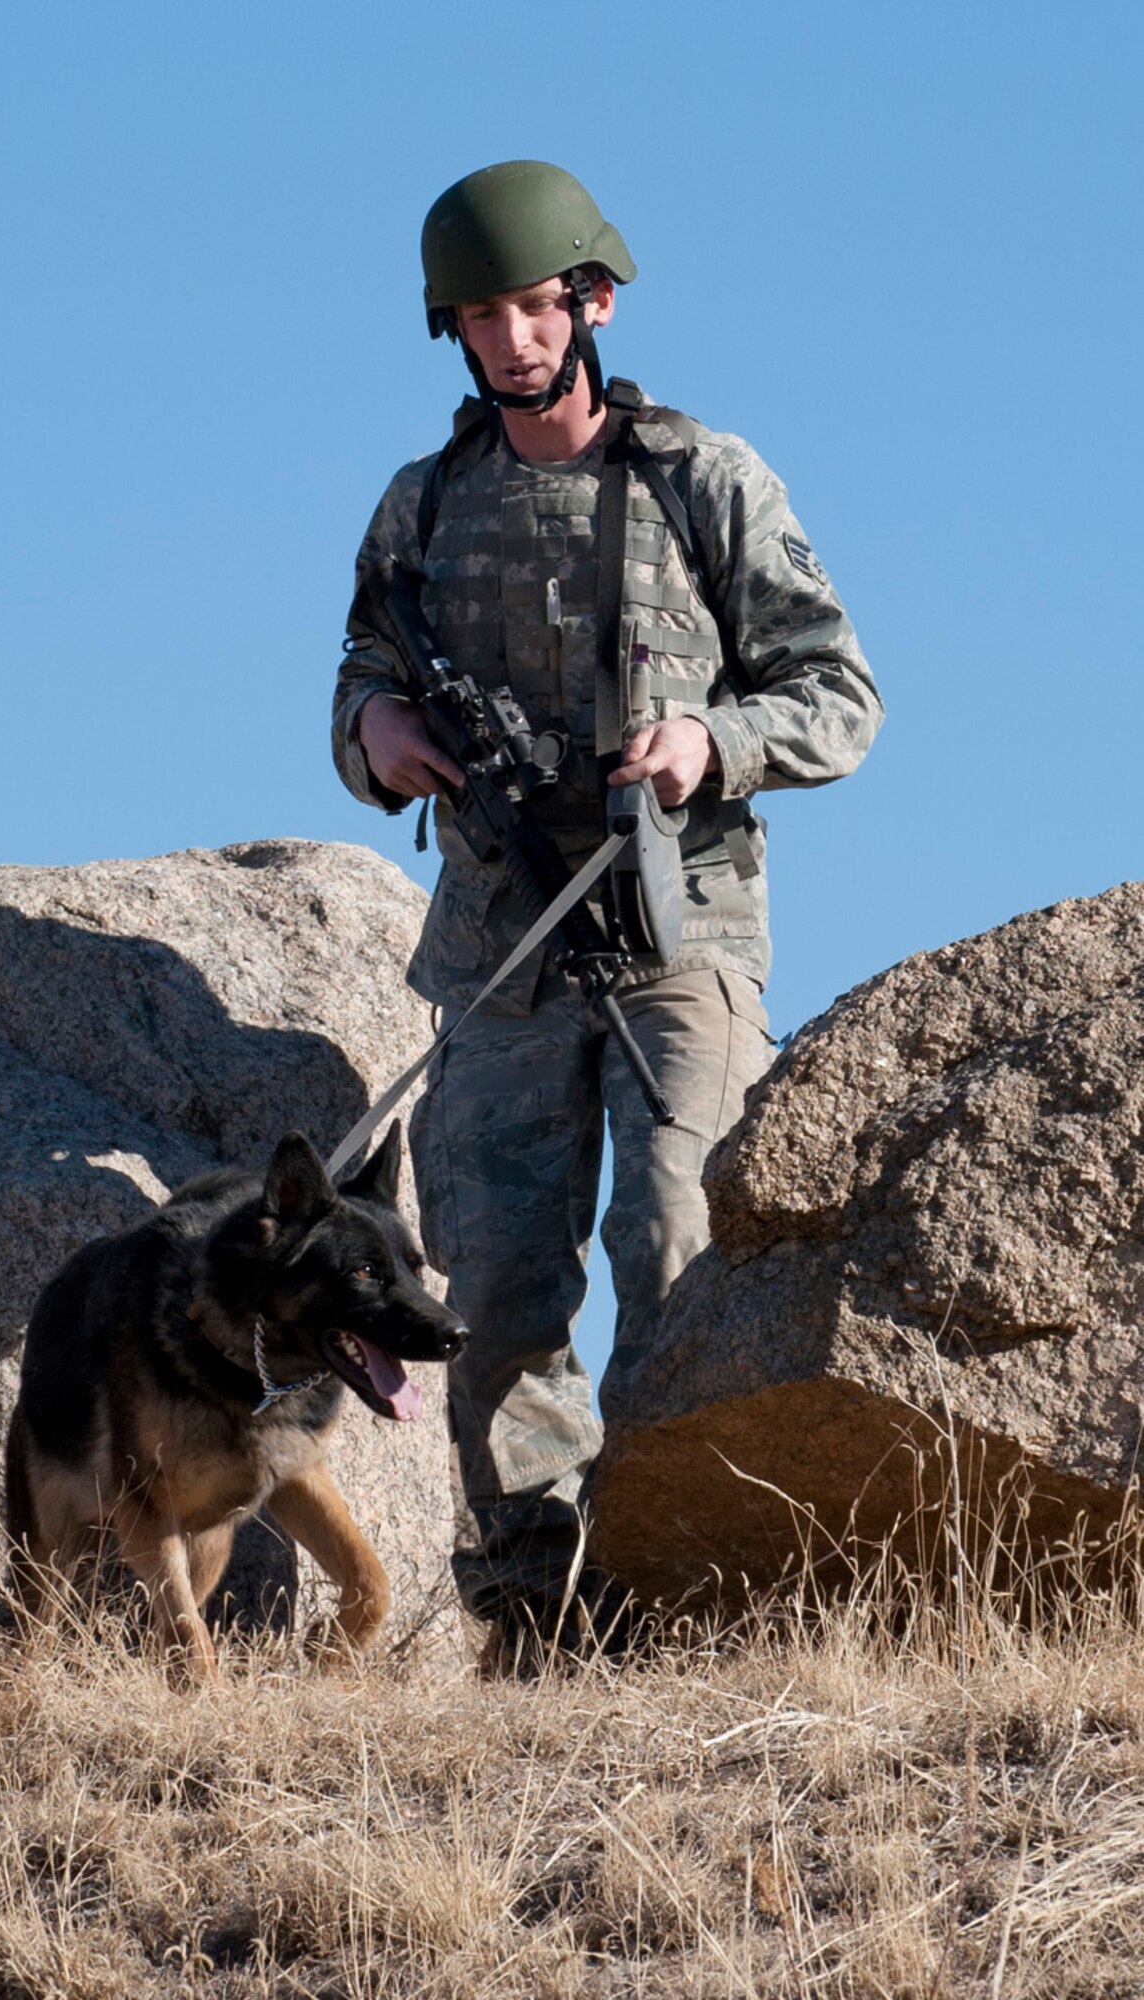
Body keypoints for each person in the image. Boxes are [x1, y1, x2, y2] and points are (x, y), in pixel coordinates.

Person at [332, 160, 882, 1655]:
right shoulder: (423, 503)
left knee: (675, 1253)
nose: (511, 339)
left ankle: (693, 1581)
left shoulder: (701, 480)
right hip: (501, 953)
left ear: (593, 301)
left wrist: (715, 740)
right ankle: (539, 1618)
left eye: (533, 305)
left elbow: (837, 693)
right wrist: (376, 741)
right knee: (500, 1293)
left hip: (674, 931)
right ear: (447, 329)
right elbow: (362, 674)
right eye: (480, 315)